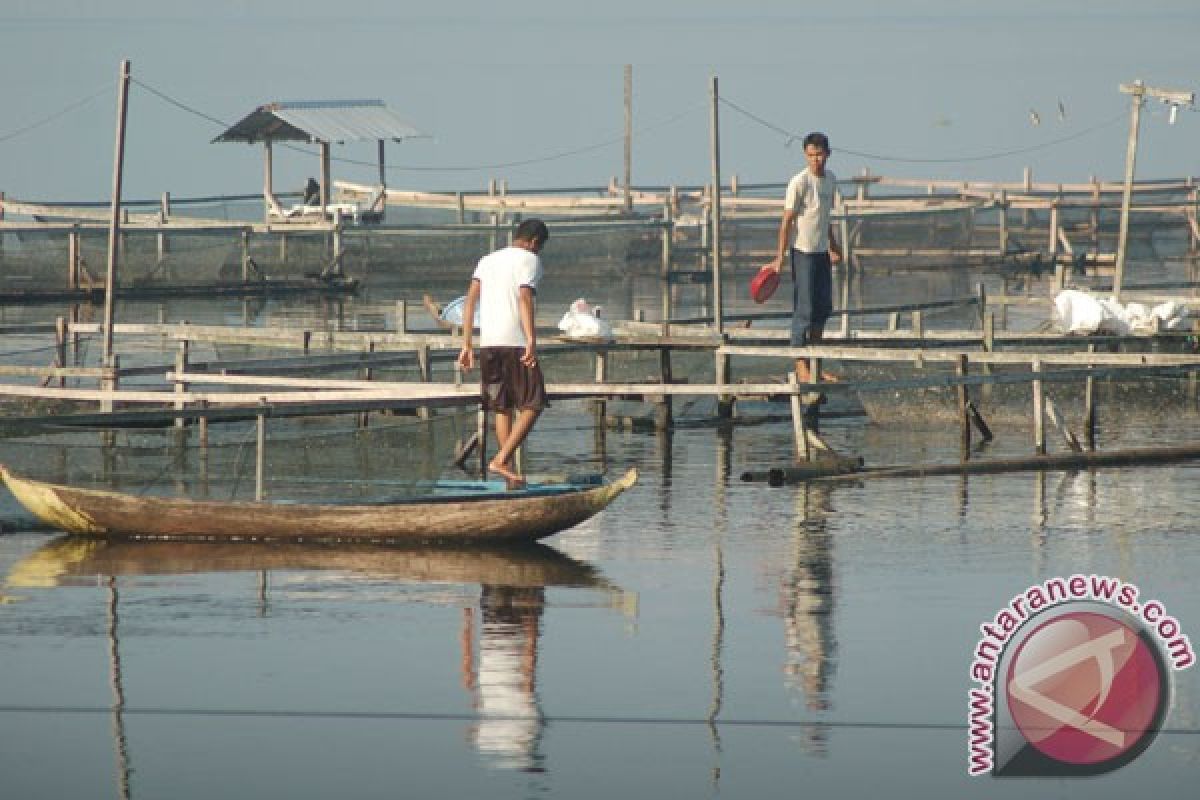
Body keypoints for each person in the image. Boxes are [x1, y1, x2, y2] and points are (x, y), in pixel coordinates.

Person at [457, 219, 550, 488]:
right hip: (515, 342)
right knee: (534, 403)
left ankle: (508, 474)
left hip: (489, 343)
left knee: (503, 406)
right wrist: (531, 339)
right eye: (539, 247)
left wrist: (467, 344)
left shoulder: (487, 260)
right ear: (534, 242)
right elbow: (524, 297)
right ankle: (501, 460)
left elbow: (470, 300)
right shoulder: (530, 261)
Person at [764, 132, 843, 384]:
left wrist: (833, 246)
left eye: (819, 154)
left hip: (821, 253)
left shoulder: (830, 180)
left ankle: (816, 364)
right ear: (805, 155)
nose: (815, 160)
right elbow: (786, 221)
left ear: (828, 154)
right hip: (803, 253)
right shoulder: (799, 182)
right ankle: (801, 367)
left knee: (823, 309)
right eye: (810, 155)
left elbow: (824, 218)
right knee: (805, 310)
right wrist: (780, 258)